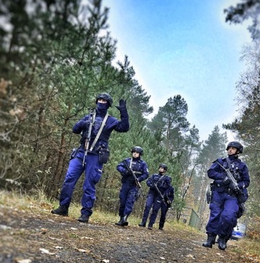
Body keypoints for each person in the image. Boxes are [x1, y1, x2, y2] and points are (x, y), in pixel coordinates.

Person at [51, 93, 129, 223]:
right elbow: (75, 129)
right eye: (99, 100)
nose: (101, 102)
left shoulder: (110, 120)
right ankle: (63, 207)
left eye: (104, 100)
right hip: (81, 152)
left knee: (89, 184)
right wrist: (83, 122)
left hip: (96, 156)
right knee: (69, 178)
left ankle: (85, 213)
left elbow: (124, 128)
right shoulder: (89, 117)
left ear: (108, 104)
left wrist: (123, 112)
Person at [202, 141, 250, 250]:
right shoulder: (220, 162)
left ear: (238, 151)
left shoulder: (242, 166)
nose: (230, 150)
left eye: (233, 148)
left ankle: (223, 238)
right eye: (229, 148)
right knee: (215, 214)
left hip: (232, 196)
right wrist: (223, 178)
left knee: (229, 216)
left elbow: (246, 181)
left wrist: (239, 186)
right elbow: (210, 172)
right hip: (218, 192)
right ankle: (210, 238)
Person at [115, 146, 149, 226]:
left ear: (140, 154)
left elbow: (146, 174)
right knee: (123, 200)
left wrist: (139, 179)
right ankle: (121, 218)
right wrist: (126, 171)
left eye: (137, 153)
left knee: (129, 201)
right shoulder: (127, 161)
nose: (135, 154)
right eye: (134, 152)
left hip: (134, 185)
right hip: (126, 183)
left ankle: (125, 218)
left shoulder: (143, 164)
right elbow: (118, 167)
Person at [139, 164, 174, 230]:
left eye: (162, 168)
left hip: (159, 195)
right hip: (152, 193)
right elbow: (148, 182)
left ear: (165, 170)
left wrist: (162, 189)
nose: (160, 169)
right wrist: (152, 185)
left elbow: (168, 187)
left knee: (155, 209)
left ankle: (150, 224)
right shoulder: (154, 176)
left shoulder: (166, 178)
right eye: (160, 168)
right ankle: (143, 222)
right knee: (147, 206)